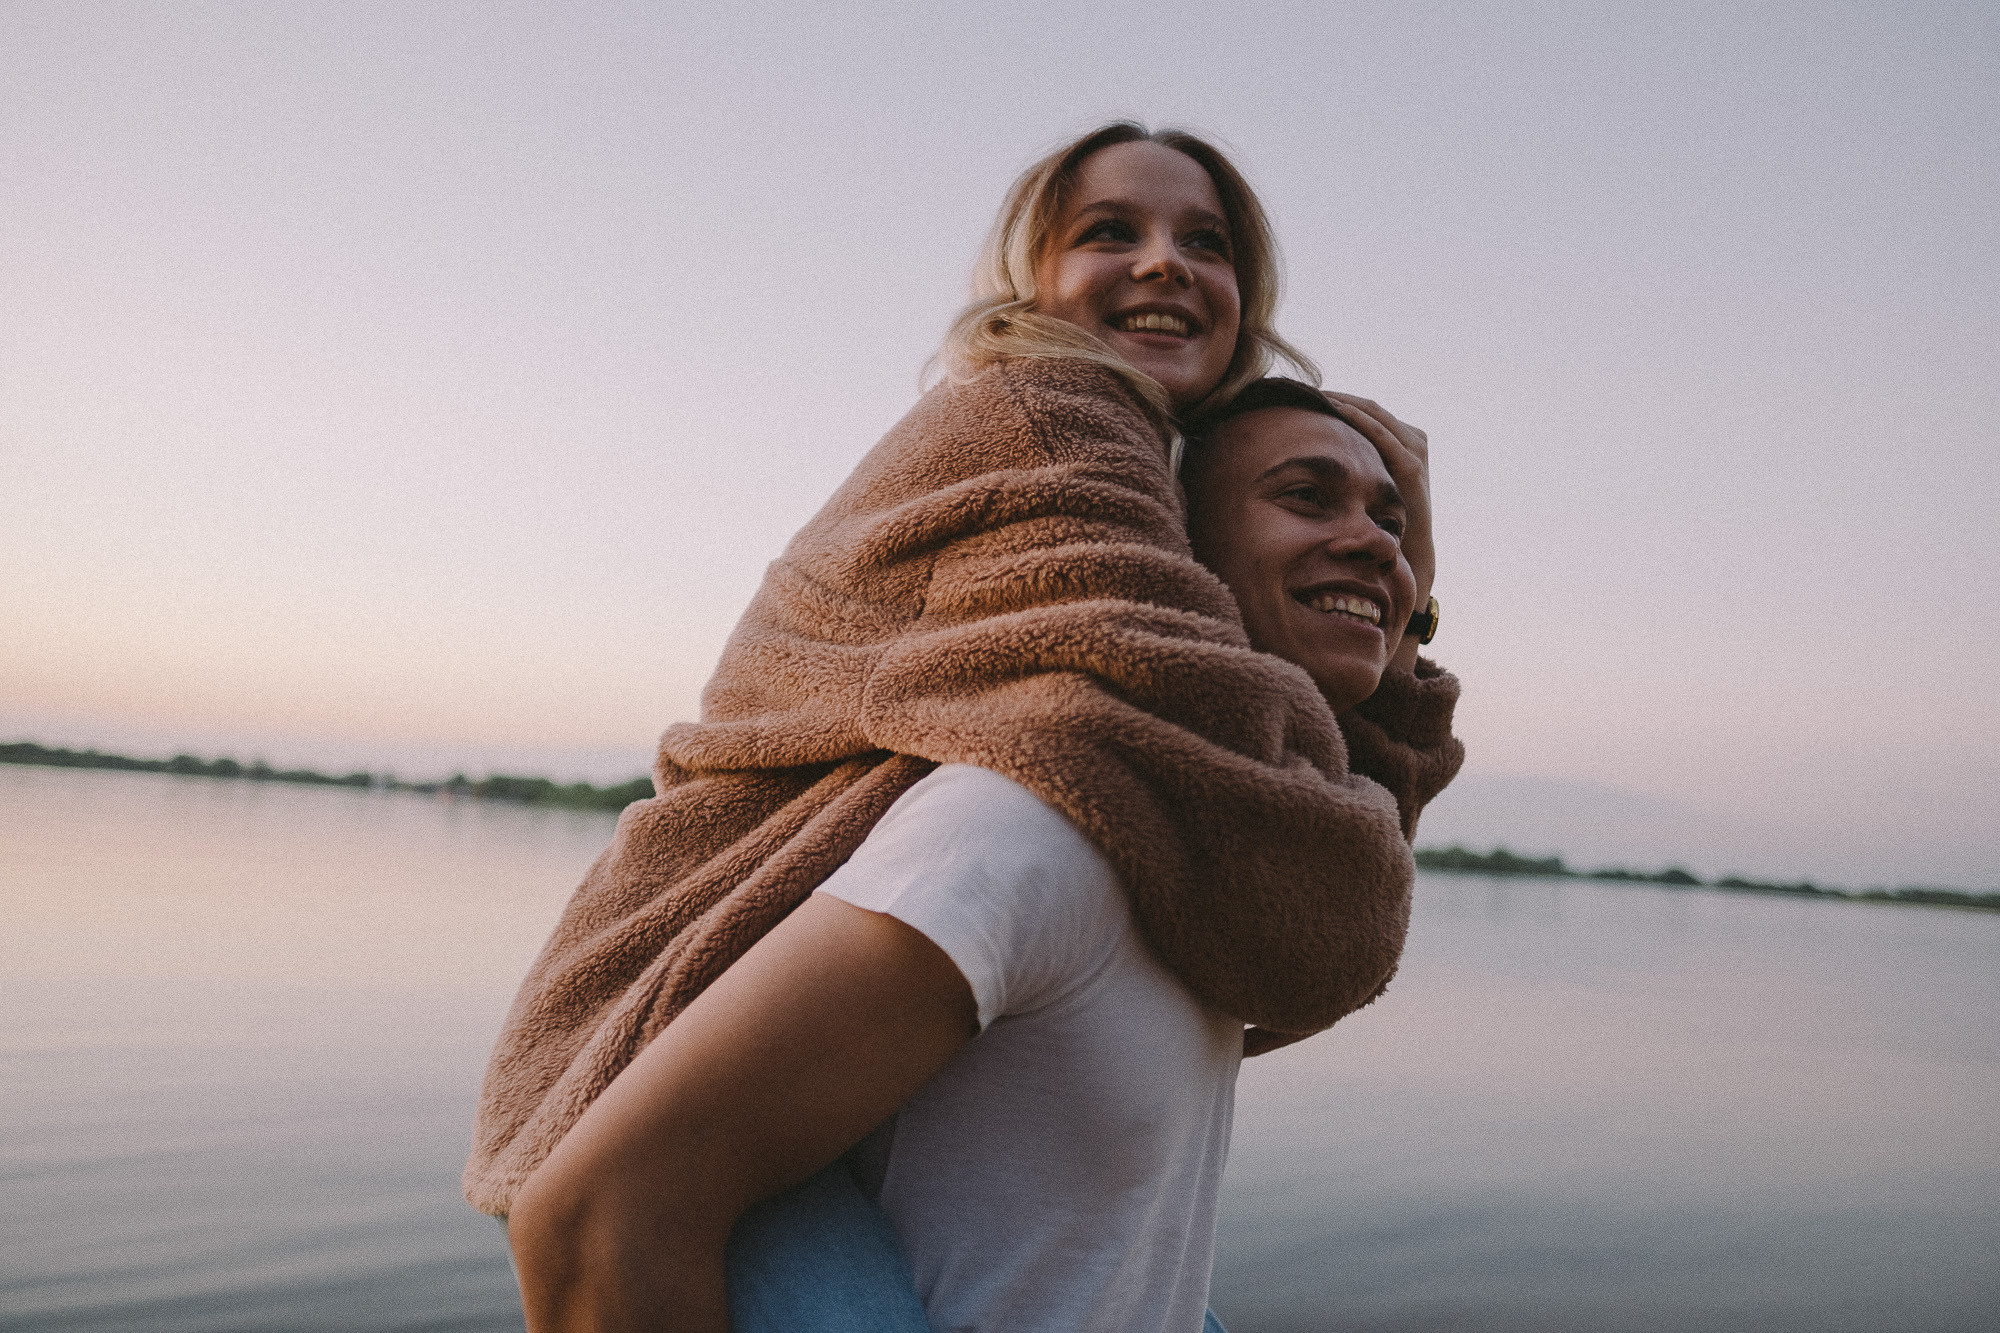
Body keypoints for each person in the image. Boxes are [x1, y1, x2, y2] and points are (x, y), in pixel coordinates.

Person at [476, 123, 1462, 1332]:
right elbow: (600, 1217)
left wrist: (1404, 587)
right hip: (669, 985)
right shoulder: (1039, 463)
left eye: (1206, 243)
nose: (1163, 260)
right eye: (1109, 230)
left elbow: (1326, 847)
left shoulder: (1173, 798)